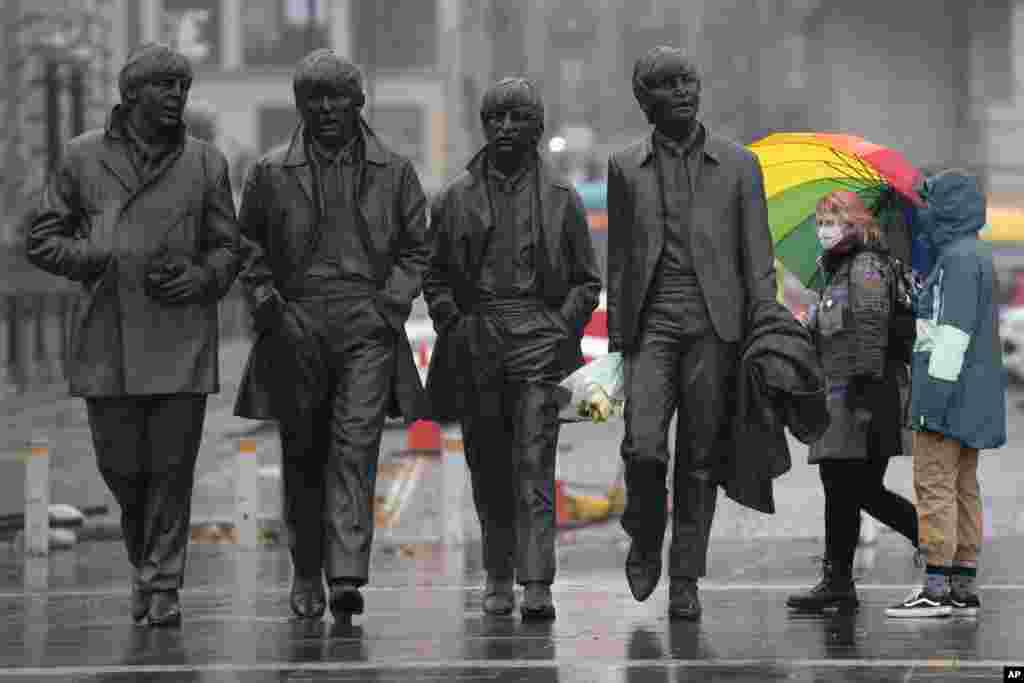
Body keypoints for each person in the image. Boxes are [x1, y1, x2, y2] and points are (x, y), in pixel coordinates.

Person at [24, 43, 241, 626]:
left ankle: (162, 583)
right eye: (164, 85)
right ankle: (147, 565)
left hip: (181, 337)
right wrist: (94, 257)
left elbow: (228, 247)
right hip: (106, 340)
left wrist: (202, 276)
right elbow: (41, 238)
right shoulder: (82, 157)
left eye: (183, 87)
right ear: (131, 94)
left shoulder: (205, 163)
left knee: (171, 473)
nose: (175, 96)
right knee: (123, 471)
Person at [233, 49, 430, 620]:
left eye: (337, 95)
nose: (326, 107)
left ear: (357, 101)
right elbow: (247, 247)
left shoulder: (395, 171)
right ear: (300, 104)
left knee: (355, 445)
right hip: (297, 324)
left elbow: (418, 248)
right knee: (303, 452)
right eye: (314, 96)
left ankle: (345, 571)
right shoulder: (270, 172)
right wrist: (270, 303)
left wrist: (389, 302)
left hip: (367, 325)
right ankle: (305, 571)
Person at [605, 46, 777, 620]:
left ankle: (685, 577)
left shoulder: (738, 164)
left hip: (716, 326)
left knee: (700, 457)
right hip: (650, 324)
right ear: (644, 100)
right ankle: (646, 533)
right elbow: (621, 260)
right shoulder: (624, 166)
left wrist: (766, 330)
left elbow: (758, 257)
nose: (682, 91)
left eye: (689, 80)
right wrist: (616, 342)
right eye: (667, 83)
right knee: (645, 447)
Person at [423, 77, 601, 620]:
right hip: (480, 341)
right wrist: (458, 325)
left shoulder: (562, 198)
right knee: (488, 468)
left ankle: (537, 581)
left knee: (534, 466)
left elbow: (586, 281)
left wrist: (558, 328)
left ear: (537, 127)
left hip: (539, 342)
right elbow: (435, 279)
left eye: (516, 117)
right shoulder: (454, 198)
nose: (504, 127)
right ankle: (498, 573)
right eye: (495, 118)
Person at [785, 190, 918, 613]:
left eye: (833, 220)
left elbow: (872, 331)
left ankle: (931, 540)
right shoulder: (837, 273)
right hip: (838, 400)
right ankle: (837, 582)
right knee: (839, 489)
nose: (824, 229)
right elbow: (830, 331)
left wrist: (865, 394)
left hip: (863, 397)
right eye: (821, 221)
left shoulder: (864, 268)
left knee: (858, 488)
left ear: (854, 224)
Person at [886, 169, 1006, 618]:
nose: (924, 212)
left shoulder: (956, 259)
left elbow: (950, 337)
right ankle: (962, 584)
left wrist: (928, 403)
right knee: (963, 487)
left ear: (947, 209)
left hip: (946, 398)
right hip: (973, 400)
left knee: (933, 485)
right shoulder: (972, 255)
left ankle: (934, 588)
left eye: (930, 204)